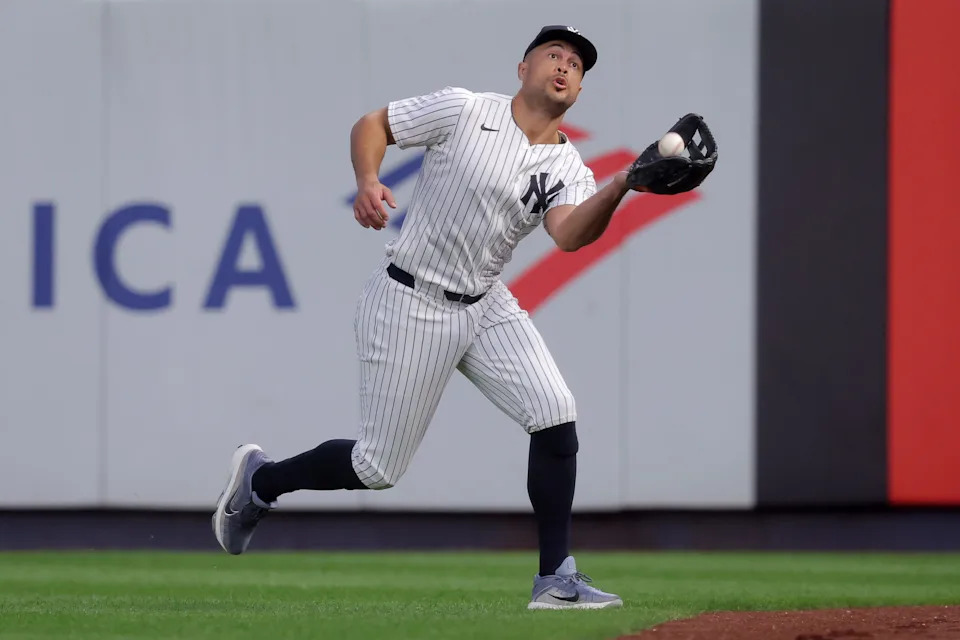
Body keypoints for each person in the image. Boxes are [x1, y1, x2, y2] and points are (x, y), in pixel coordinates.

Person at [213, 24, 649, 610]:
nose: (565, 67)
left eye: (576, 63)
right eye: (553, 54)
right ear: (523, 69)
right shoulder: (464, 110)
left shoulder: (569, 165)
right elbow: (373, 126)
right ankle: (261, 481)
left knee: (555, 412)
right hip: (410, 298)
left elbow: (569, 234)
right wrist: (368, 179)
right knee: (376, 467)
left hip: (486, 301)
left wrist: (622, 183)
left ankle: (555, 579)